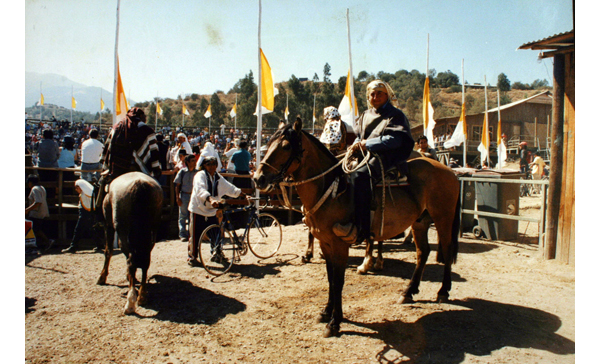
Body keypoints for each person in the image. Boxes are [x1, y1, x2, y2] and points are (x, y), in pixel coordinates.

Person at [334, 80, 414, 244]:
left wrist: (366, 144)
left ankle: (362, 229)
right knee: (337, 171)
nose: (375, 97)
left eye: (379, 93)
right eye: (372, 94)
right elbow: (359, 135)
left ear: (387, 96)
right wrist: (356, 144)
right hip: (364, 154)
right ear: (368, 97)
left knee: (360, 176)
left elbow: (395, 139)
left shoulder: (396, 115)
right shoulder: (365, 115)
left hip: (386, 155)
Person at [96, 107, 161, 214]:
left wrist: (105, 166)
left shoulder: (116, 127)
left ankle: (98, 212)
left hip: (117, 170)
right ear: (141, 117)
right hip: (140, 170)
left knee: (101, 186)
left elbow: (107, 150)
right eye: (144, 116)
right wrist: (156, 170)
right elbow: (154, 154)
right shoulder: (148, 131)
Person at [187, 156, 248, 267]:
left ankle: (217, 253)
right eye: (209, 164)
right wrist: (211, 199)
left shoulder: (217, 177)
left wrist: (242, 194)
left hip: (211, 210)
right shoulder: (200, 176)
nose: (212, 167)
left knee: (216, 233)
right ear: (204, 165)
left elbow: (229, 188)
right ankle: (192, 257)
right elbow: (200, 189)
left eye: (214, 164)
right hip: (198, 209)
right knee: (195, 234)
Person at [62, 179, 103, 253]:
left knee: (78, 230)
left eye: (76, 188)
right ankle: (99, 244)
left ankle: (73, 246)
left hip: (85, 214)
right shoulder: (87, 194)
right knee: (91, 230)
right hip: (86, 213)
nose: (76, 190)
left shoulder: (85, 195)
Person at [174, 154, 199, 242]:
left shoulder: (197, 173)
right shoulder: (182, 172)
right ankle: (182, 234)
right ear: (187, 162)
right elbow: (177, 185)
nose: (195, 162)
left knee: (192, 215)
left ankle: (191, 234)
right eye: (192, 161)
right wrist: (177, 197)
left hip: (193, 196)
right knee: (182, 216)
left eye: (195, 161)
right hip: (184, 195)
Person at [26, 174, 53, 250]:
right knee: (36, 229)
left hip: (36, 213)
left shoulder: (34, 189)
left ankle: (47, 242)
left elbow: (38, 202)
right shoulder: (41, 188)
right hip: (42, 212)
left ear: (30, 182)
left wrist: (27, 210)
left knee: (35, 229)